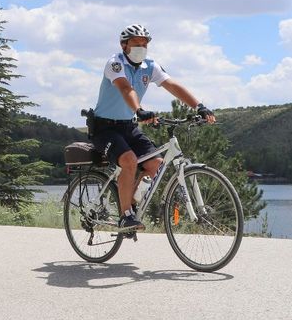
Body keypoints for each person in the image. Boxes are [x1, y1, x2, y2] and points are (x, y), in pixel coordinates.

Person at [91, 24, 216, 231]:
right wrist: (139, 110)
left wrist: (199, 106)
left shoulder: (150, 66)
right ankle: (125, 216)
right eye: (136, 43)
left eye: (144, 44)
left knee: (156, 165)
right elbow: (125, 87)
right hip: (104, 128)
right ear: (124, 45)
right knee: (129, 161)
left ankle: (129, 202)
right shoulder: (115, 63)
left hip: (128, 127)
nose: (141, 47)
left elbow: (173, 85)